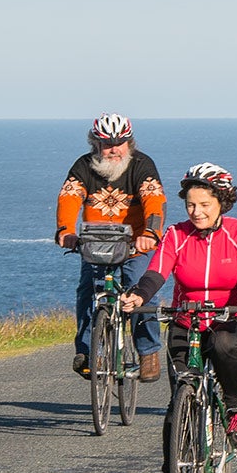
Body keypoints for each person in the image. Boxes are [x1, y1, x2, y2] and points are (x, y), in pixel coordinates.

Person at [121, 162, 237, 473]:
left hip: (230, 319)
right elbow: (156, 272)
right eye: (190, 204)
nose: (196, 211)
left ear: (222, 202)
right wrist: (139, 296)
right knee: (179, 404)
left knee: (224, 344)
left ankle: (235, 408)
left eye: (204, 204)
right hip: (185, 321)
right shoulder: (176, 235)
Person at [55, 114, 168, 382]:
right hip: (95, 244)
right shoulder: (83, 166)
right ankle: (85, 350)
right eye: (107, 144)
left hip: (134, 244)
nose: (114, 149)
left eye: (121, 143)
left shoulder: (142, 165)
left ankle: (148, 352)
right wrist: (65, 230)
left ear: (130, 142)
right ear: (95, 144)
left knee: (139, 289)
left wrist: (151, 233)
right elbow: (69, 197)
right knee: (87, 291)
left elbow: (154, 200)